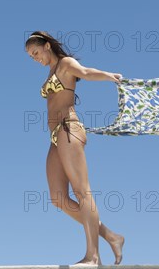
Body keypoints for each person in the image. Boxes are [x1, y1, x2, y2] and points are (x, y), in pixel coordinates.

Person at [25, 31, 126, 266]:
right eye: (31, 56)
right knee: (58, 198)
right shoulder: (50, 72)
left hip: (69, 128)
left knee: (82, 192)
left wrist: (110, 76)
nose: (35, 58)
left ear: (47, 46)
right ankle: (112, 236)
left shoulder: (65, 64)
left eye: (36, 52)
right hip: (55, 136)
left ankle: (93, 256)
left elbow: (86, 73)